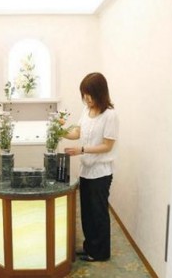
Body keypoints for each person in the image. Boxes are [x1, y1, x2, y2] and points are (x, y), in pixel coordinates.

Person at [64, 72, 119, 262]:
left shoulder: (110, 115)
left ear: (100, 93)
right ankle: (90, 247)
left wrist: (82, 149)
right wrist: (61, 130)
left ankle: (101, 253)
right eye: (84, 94)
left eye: (90, 94)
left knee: (98, 213)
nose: (86, 99)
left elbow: (107, 145)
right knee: (87, 212)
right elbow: (78, 132)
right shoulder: (86, 110)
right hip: (86, 171)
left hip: (101, 173)